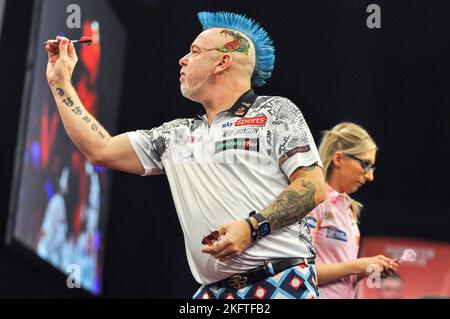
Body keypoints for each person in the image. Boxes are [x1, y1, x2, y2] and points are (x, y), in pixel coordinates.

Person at [45, 11, 326, 299]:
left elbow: (312, 187)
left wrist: (252, 228)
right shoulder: (174, 135)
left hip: (281, 281)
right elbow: (100, 149)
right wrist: (60, 82)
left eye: (194, 51)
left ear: (222, 62)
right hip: (213, 293)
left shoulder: (275, 112)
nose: (182, 59)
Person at [306, 122, 398, 299]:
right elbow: (299, 273)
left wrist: (368, 270)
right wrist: (358, 266)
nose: (370, 176)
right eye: (365, 164)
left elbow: (340, 274)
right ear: (338, 159)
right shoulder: (314, 201)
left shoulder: (349, 209)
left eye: (372, 167)